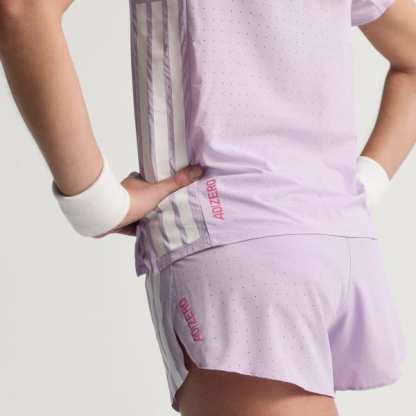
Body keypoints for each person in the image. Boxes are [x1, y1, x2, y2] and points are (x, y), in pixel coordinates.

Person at [0, 0, 415, 415]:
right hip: (337, 244)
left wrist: (95, 203)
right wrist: (361, 185)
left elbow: (23, 9)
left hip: (233, 244)